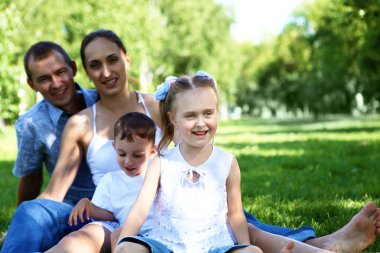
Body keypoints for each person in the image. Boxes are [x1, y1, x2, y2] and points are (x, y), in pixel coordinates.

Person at [2, 29, 379, 253]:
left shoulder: (158, 104)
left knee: (228, 216)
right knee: (35, 215)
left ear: (127, 59)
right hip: (121, 210)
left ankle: (326, 244)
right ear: (85, 71)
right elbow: (54, 193)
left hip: (174, 200)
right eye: (95, 66)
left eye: (112, 59)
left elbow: (200, 142)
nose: (105, 71)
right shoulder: (82, 121)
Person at [115, 72, 263, 253]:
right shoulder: (162, 162)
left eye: (208, 113)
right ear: (173, 118)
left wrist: (245, 245)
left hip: (214, 248)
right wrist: (122, 245)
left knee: (252, 252)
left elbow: (235, 214)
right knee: (128, 249)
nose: (201, 123)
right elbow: (139, 211)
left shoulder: (227, 162)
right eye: (190, 116)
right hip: (165, 246)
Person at [1, 41, 97, 252]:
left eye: (60, 72)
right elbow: (30, 179)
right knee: (29, 213)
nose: (56, 83)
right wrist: (21, 225)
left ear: (73, 68)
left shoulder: (103, 101)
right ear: (31, 84)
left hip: (113, 204)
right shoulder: (32, 123)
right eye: (44, 79)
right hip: (70, 210)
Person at [46, 112, 158, 253]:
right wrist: (89, 206)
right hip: (124, 231)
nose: (128, 161)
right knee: (110, 235)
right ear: (114, 147)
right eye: (122, 154)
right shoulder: (111, 180)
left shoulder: (159, 175)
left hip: (154, 231)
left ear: (153, 151)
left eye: (137, 155)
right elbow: (109, 214)